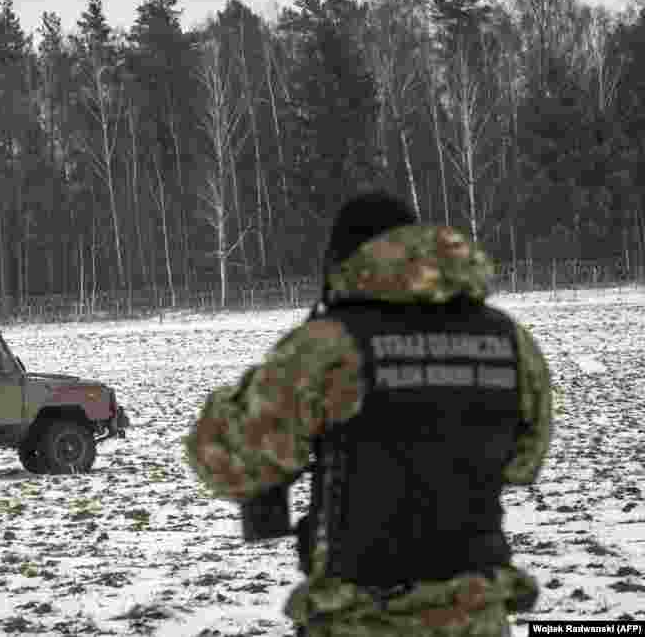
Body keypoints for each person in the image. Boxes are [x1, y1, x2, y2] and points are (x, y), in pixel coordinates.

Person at [184, 191, 552, 637]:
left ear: (344, 260)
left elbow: (228, 460)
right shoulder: (510, 342)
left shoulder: (330, 346)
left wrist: (243, 394)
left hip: (362, 618)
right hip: (476, 618)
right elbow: (523, 462)